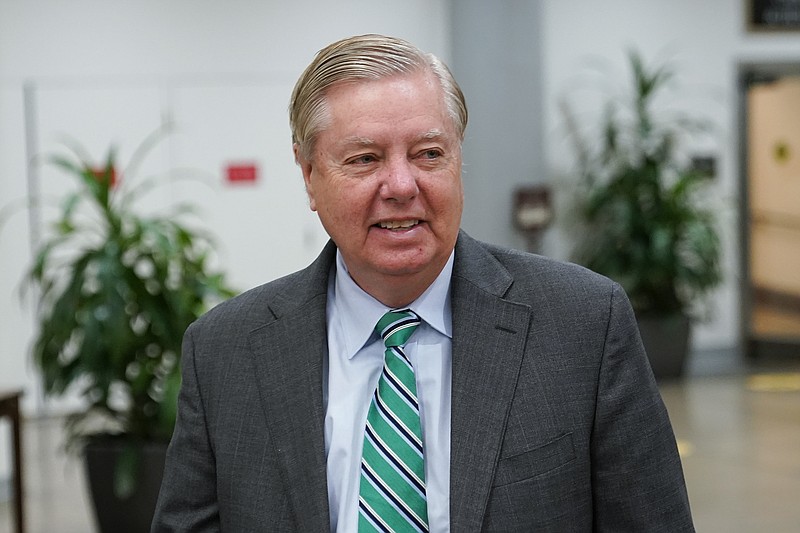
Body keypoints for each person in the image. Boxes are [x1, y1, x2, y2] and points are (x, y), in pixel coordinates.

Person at [152, 34, 694, 532]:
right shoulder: (225, 353)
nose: (402, 185)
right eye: (365, 159)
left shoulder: (582, 325)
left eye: (428, 154)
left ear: (459, 158)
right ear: (309, 174)